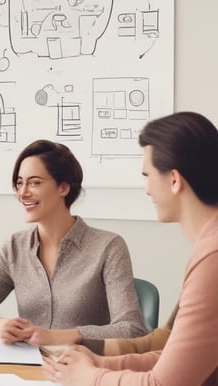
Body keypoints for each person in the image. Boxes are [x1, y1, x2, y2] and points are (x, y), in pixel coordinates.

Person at [43, 111, 218, 385]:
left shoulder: (213, 259)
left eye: (147, 175)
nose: (147, 189)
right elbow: (172, 352)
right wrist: (102, 363)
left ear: (174, 179)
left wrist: (90, 377)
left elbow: (162, 383)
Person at [0, 139, 145, 346]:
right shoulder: (15, 247)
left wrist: (58, 337)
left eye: (34, 183)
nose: (23, 192)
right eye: (20, 183)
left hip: (83, 371)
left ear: (63, 187)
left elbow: (131, 329)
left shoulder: (108, 247)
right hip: (28, 371)